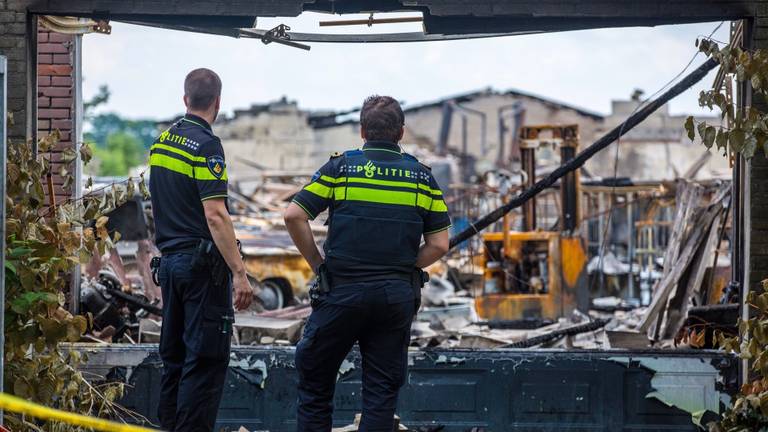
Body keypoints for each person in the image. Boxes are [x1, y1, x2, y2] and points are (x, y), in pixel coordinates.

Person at [284, 95, 451, 431]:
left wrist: (319, 265)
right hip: (393, 298)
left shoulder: (340, 169)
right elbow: (439, 244)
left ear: (362, 131)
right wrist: (403, 266)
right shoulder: (421, 178)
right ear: (401, 132)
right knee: (380, 395)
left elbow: (293, 215)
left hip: (340, 295)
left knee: (316, 386)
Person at [149, 68, 252, 432]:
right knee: (205, 362)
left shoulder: (162, 142)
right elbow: (216, 215)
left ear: (185, 98)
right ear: (218, 102)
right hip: (201, 271)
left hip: (171, 268)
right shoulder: (207, 147)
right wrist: (239, 273)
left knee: (174, 359)